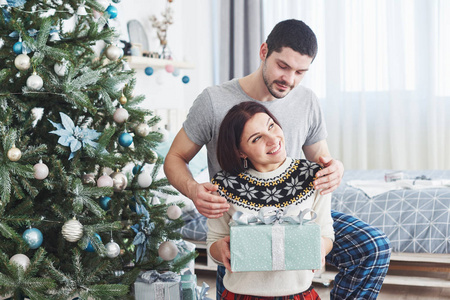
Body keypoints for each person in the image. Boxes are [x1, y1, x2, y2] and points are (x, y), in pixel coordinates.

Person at [164, 19, 391, 300]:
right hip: (241, 221)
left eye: (300, 71)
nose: (290, 79)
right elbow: (174, 157)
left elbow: (323, 160)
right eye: (283, 66)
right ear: (263, 51)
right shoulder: (213, 101)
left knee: (373, 246)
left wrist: (337, 168)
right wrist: (194, 190)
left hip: (294, 215)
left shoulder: (306, 100)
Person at [207, 101, 334, 299]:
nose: (273, 139)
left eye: (271, 126)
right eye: (257, 138)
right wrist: (220, 250)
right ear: (240, 151)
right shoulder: (223, 185)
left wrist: (319, 248)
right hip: (241, 294)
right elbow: (213, 243)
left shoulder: (315, 175)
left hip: (298, 294)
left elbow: (326, 231)